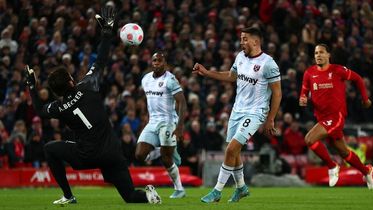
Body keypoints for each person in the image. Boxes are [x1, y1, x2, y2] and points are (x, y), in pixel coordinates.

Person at [25, 6, 161, 205]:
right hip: (112, 153)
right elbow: (101, 59)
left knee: (50, 149)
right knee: (130, 196)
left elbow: (39, 109)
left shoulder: (59, 108)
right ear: (71, 81)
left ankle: (68, 196)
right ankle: (148, 196)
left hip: (86, 156)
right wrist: (107, 32)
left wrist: (32, 87)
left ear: (56, 91)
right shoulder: (88, 86)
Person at [193, 27, 282, 203]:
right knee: (235, 151)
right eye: (241, 39)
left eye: (245, 39)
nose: (241, 42)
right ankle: (241, 188)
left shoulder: (268, 63)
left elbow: (277, 93)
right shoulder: (240, 57)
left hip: (256, 112)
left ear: (256, 41)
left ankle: (217, 191)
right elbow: (231, 76)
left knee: (231, 149)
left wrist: (271, 118)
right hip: (237, 110)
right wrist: (207, 72)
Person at [299, 43, 373, 189]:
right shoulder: (309, 73)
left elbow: (358, 79)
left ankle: (332, 166)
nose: (318, 55)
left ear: (328, 55)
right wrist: (303, 99)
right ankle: (366, 171)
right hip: (321, 117)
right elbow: (304, 91)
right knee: (343, 151)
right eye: (316, 53)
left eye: (321, 52)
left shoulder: (338, 70)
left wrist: (365, 99)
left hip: (336, 116)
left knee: (309, 139)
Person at [135, 52, 187, 199]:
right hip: (152, 123)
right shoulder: (145, 79)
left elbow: (182, 102)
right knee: (139, 155)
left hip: (168, 122)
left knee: (166, 159)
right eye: (154, 60)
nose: (156, 63)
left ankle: (179, 189)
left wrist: (180, 127)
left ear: (165, 63)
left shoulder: (170, 80)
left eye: (159, 61)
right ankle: (162, 148)